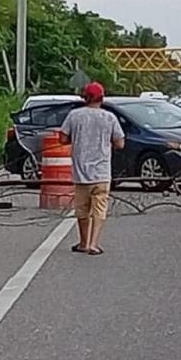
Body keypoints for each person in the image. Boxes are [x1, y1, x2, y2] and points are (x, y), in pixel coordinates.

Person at [60, 82, 125, 255]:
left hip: (81, 173)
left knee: (82, 210)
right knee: (99, 208)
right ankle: (94, 244)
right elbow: (120, 143)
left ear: (85, 98)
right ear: (102, 98)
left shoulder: (75, 115)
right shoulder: (109, 117)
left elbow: (62, 138)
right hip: (102, 173)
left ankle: (83, 242)